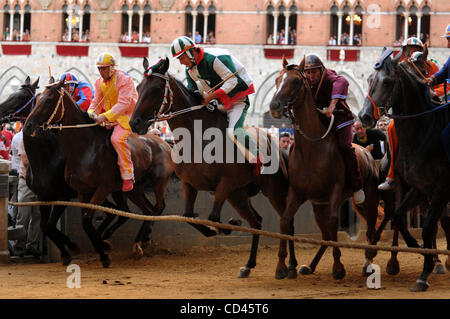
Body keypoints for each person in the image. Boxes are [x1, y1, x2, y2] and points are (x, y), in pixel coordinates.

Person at [170, 36, 262, 175]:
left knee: (234, 132)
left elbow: (233, 82)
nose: (181, 63)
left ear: (189, 52)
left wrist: (210, 96)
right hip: (218, 103)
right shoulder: (190, 70)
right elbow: (193, 92)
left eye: (181, 58)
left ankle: (260, 158)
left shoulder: (215, 58)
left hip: (237, 100)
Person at [379, 36, 443, 190]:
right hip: (410, 112)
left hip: (429, 108)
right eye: (409, 49)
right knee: (391, 128)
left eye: (416, 50)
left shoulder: (431, 65)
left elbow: (443, 84)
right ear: (404, 51)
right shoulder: (402, 67)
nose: (412, 52)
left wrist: (433, 92)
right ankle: (392, 173)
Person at [303, 53, 365, 204]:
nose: (311, 76)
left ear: (321, 70)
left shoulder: (329, 76)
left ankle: (357, 185)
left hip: (340, 119)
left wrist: (332, 104)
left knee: (344, 145)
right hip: (321, 121)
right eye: (308, 72)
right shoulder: (305, 81)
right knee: (295, 146)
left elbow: (342, 81)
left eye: (314, 72)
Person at [88, 53, 138, 192]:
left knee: (117, 139)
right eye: (99, 69)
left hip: (127, 116)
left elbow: (124, 104)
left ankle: (128, 176)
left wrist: (104, 116)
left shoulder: (124, 79)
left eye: (104, 68)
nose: (101, 72)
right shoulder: (99, 82)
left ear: (111, 68)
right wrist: (90, 113)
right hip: (109, 118)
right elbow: (96, 102)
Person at [14, 130, 41, 258]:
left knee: (37, 215)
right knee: (23, 215)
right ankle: (19, 246)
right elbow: (25, 161)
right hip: (26, 181)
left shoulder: (41, 139)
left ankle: (32, 245)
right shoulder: (23, 139)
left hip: (39, 183)